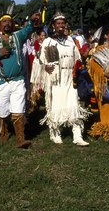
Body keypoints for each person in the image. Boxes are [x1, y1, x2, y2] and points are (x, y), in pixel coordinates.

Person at [0, 12, 42, 149]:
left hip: (18, 80)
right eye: (4, 22)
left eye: (10, 21)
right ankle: (3, 129)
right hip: (2, 81)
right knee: (2, 109)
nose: (7, 24)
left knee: (18, 108)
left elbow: (28, 29)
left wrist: (32, 19)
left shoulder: (17, 37)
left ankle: (20, 138)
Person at [35, 12, 91, 146]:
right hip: (56, 78)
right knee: (56, 104)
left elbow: (77, 58)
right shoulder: (48, 41)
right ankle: (55, 132)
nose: (60, 26)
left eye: (63, 23)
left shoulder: (71, 40)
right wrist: (45, 68)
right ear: (53, 25)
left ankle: (77, 135)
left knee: (74, 104)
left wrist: (78, 68)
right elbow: (40, 61)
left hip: (70, 77)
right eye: (58, 24)